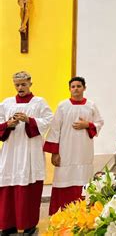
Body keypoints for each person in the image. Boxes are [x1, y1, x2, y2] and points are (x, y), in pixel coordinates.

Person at [0, 71, 53, 235]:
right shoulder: (7, 103)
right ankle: (8, 224)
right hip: (11, 153)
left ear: (30, 83)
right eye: (17, 85)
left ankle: (29, 224)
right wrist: (9, 124)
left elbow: (49, 120)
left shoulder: (39, 102)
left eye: (23, 84)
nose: (20, 87)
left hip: (30, 152)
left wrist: (29, 120)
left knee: (29, 189)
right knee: (7, 188)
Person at [44, 77, 104, 215]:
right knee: (64, 179)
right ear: (69, 89)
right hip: (66, 152)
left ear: (84, 88)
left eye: (78, 86)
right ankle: (61, 214)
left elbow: (99, 122)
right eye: (73, 86)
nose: (76, 89)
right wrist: (54, 153)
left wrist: (88, 125)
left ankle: (84, 214)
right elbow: (55, 129)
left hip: (84, 151)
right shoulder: (63, 106)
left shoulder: (91, 105)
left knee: (83, 179)